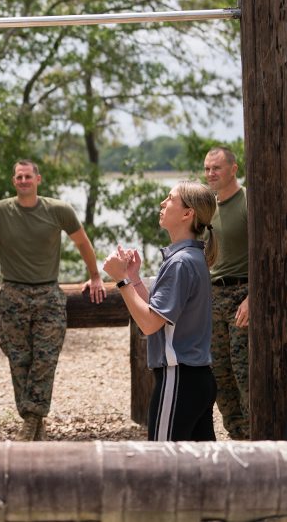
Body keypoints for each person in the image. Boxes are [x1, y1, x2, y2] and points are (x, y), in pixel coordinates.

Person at [0, 160, 106, 441]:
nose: (24, 180)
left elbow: (83, 243)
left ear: (38, 179)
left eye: (28, 176)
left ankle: (31, 419)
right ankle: (34, 419)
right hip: (12, 295)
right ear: (13, 181)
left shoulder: (58, 210)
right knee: (19, 359)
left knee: (46, 358)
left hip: (49, 295)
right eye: (19, 176)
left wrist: (95, 277)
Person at [102, 181, 219, 441]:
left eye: (170, 198)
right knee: (201, 471)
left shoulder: (180, 263)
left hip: (179, 380)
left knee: (161, 466)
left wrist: (121, 281)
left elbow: (150, 324)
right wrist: (134, 278)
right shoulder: (191, 257)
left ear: (188, 214)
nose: (162, 203)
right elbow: (162, 314)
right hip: (196, 379)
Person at [204, 145, 250, 439]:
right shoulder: (208, 206)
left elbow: (268, 252)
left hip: (242, 294)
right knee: (219, 374)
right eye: (207, 168)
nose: (210, 174)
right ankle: (238, 435)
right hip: (214, 297)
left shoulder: (248, 201)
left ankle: (261, 433)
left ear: (233, 169)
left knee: (244, 370)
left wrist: (253, 298)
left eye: (216, 168)